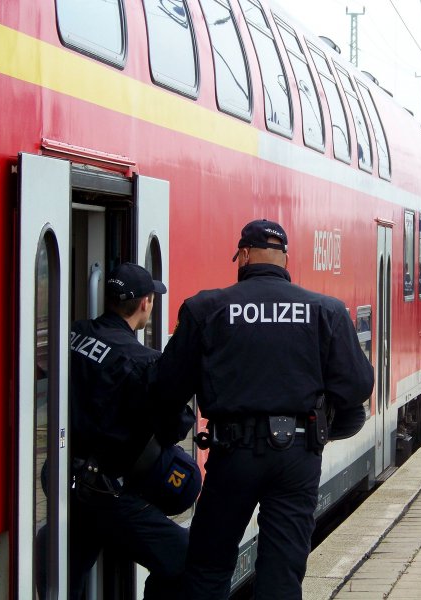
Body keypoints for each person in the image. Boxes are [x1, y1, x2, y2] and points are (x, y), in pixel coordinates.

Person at [150, 219, 374, 599]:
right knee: (282, 572)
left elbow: (167, 388)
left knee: (208, 566)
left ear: (246, 255)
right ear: (284, 259)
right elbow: (357, 386)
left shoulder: (205, 309)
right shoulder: (326, 311)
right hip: (298, 457)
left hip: (232, 454)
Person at [64, 263, 189, 600]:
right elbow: (176, 425)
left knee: (68, 573)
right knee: (185, 559)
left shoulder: (75, 334)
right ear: (146, 302)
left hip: (67, 483)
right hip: (107, 493)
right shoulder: (142, 361)